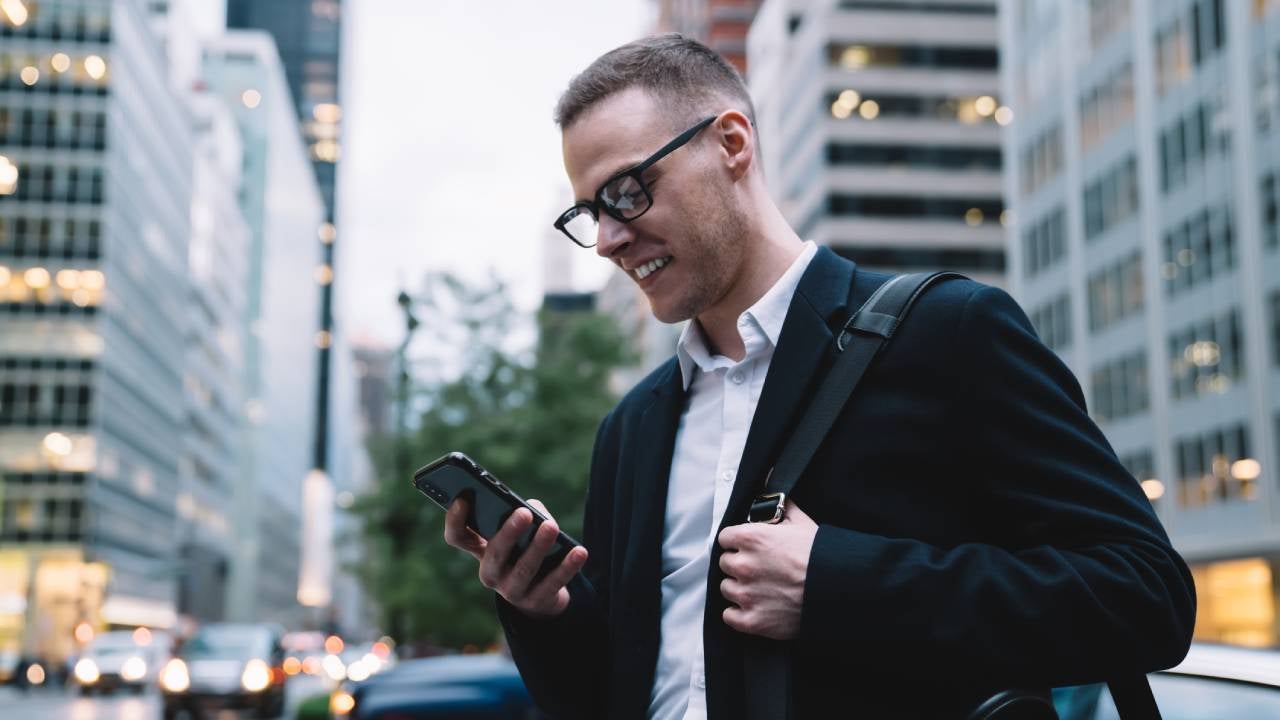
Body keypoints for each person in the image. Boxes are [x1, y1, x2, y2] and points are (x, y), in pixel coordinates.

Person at [443, 33, 1195, 719]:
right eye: (588, 212)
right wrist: (543, 609)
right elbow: (613, 694)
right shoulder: (633, 427)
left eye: (627, 192)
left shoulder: (948, 333)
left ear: (731, 144)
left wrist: (837, 582)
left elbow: (1147, 596)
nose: (608, 238)